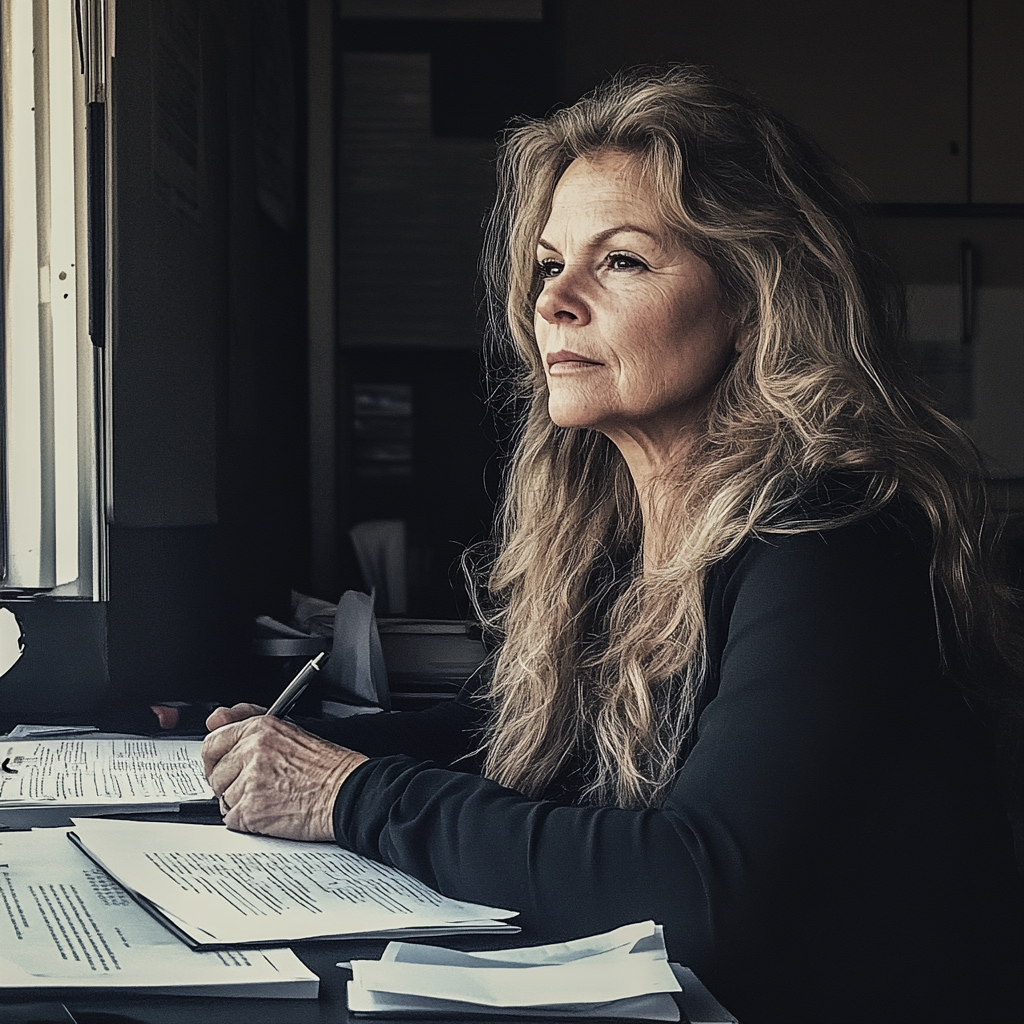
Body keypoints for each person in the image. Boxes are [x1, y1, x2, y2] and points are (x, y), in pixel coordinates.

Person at [202, 66, 1024, 1024]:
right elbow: (541, 760)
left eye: (621, 261)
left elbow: (695, 893)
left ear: (757, 298)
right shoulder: (615, 532)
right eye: (551, 264)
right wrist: (309, 748)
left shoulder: (832, 539)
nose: (555, 302)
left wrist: (349, 793)